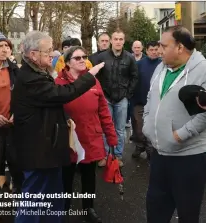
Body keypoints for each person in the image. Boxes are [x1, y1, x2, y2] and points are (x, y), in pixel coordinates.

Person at [13, 31, 105, 223]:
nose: (52, 54)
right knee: (34, 200)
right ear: (33, 54)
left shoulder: (39, 72)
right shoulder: (30, 78)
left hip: (50, 149)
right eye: (47, 51)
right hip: (38, 152)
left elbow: (50, 104)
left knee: (54, 197)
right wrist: (90, 76)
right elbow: (61, 94)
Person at [143, 26, 206, 223]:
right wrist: (147, 125)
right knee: (155, 212)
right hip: (159, 155)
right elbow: (150, 98)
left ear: (180, 47)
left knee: (188, 215)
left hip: (189, 158)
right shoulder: (160, 67)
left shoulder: (205, 69)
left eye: (164, 46)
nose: (159, 49)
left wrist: (179, 136)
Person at [55, 46, 118, 223]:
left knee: (89, 177)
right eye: (77, 58)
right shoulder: (59, 83)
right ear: (67, 62)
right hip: (69, 139)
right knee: (66, 176)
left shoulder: (93, 81)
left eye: (84, 56)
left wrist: (111, 136)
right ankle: (64, 207)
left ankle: (88, 208)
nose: (82, 60)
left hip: (91, 137)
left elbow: (104, 111)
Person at [0, 29, 23, 222]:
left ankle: (19, 203)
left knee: (17, 166)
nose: (5, 49)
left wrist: (18, 113)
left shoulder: (15, 70)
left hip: (14, 127)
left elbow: (23, 96)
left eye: (6, 46)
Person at [96, 29, 138, 167]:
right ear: (111, 41)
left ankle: (118, 156)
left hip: (122, 99)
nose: (118, 41)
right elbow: (96, 77)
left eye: (121, 39)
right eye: (116, 39)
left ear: (124, 41)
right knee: (105, 128)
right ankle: (106, 155)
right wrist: (100, 94)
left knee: (120, 129)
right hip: (106, 98)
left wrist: (128, 94)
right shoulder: (102, 57)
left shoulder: (129, 58)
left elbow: (134, 77)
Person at [132, 41, 161, 160]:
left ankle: (150, 150)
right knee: (139, 128)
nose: (154, 52)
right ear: (147, 51)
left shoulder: (163, 64)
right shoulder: (139, 64)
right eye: (151, 50)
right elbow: (133, 81)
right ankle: (139, 145)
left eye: (156, 50)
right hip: (140, 102)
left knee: (152, 128)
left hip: (156, 103)